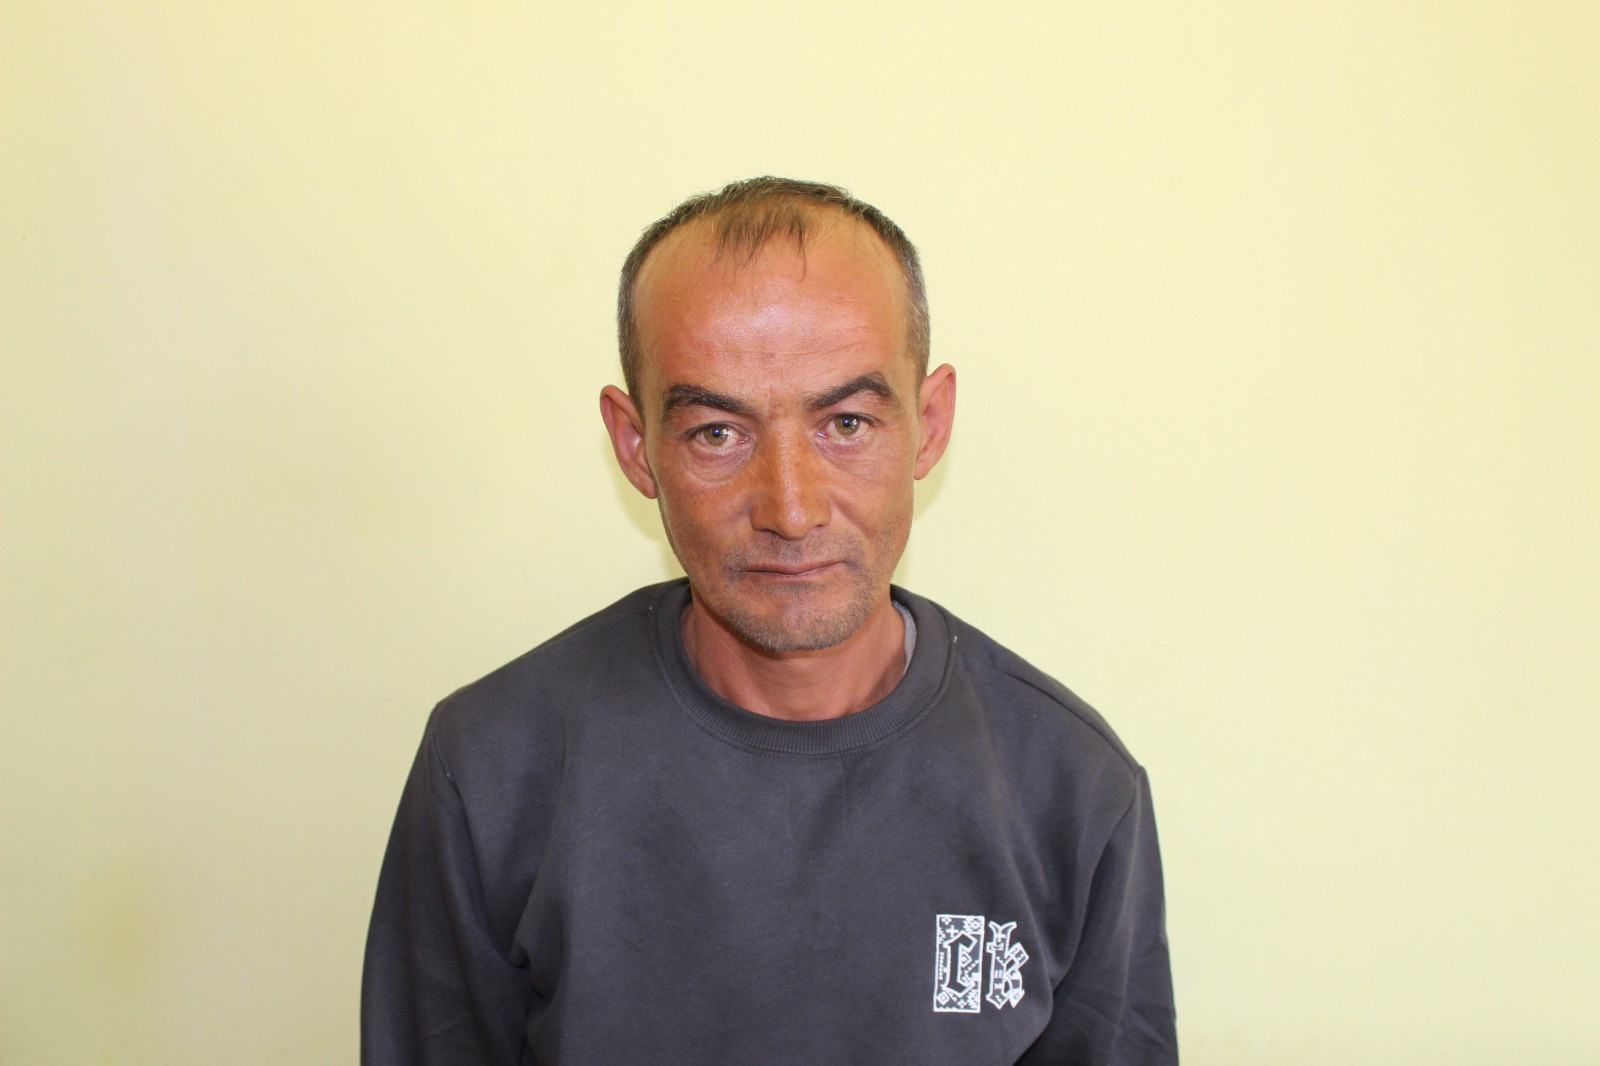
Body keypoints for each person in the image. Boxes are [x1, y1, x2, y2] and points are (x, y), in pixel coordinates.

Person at [362, 177, 1177, 1064]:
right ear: (636, 445)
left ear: (930, 423)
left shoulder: (1072, 787)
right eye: (718, 432)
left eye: (847, 423)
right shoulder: (492, 767)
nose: (791, 509)